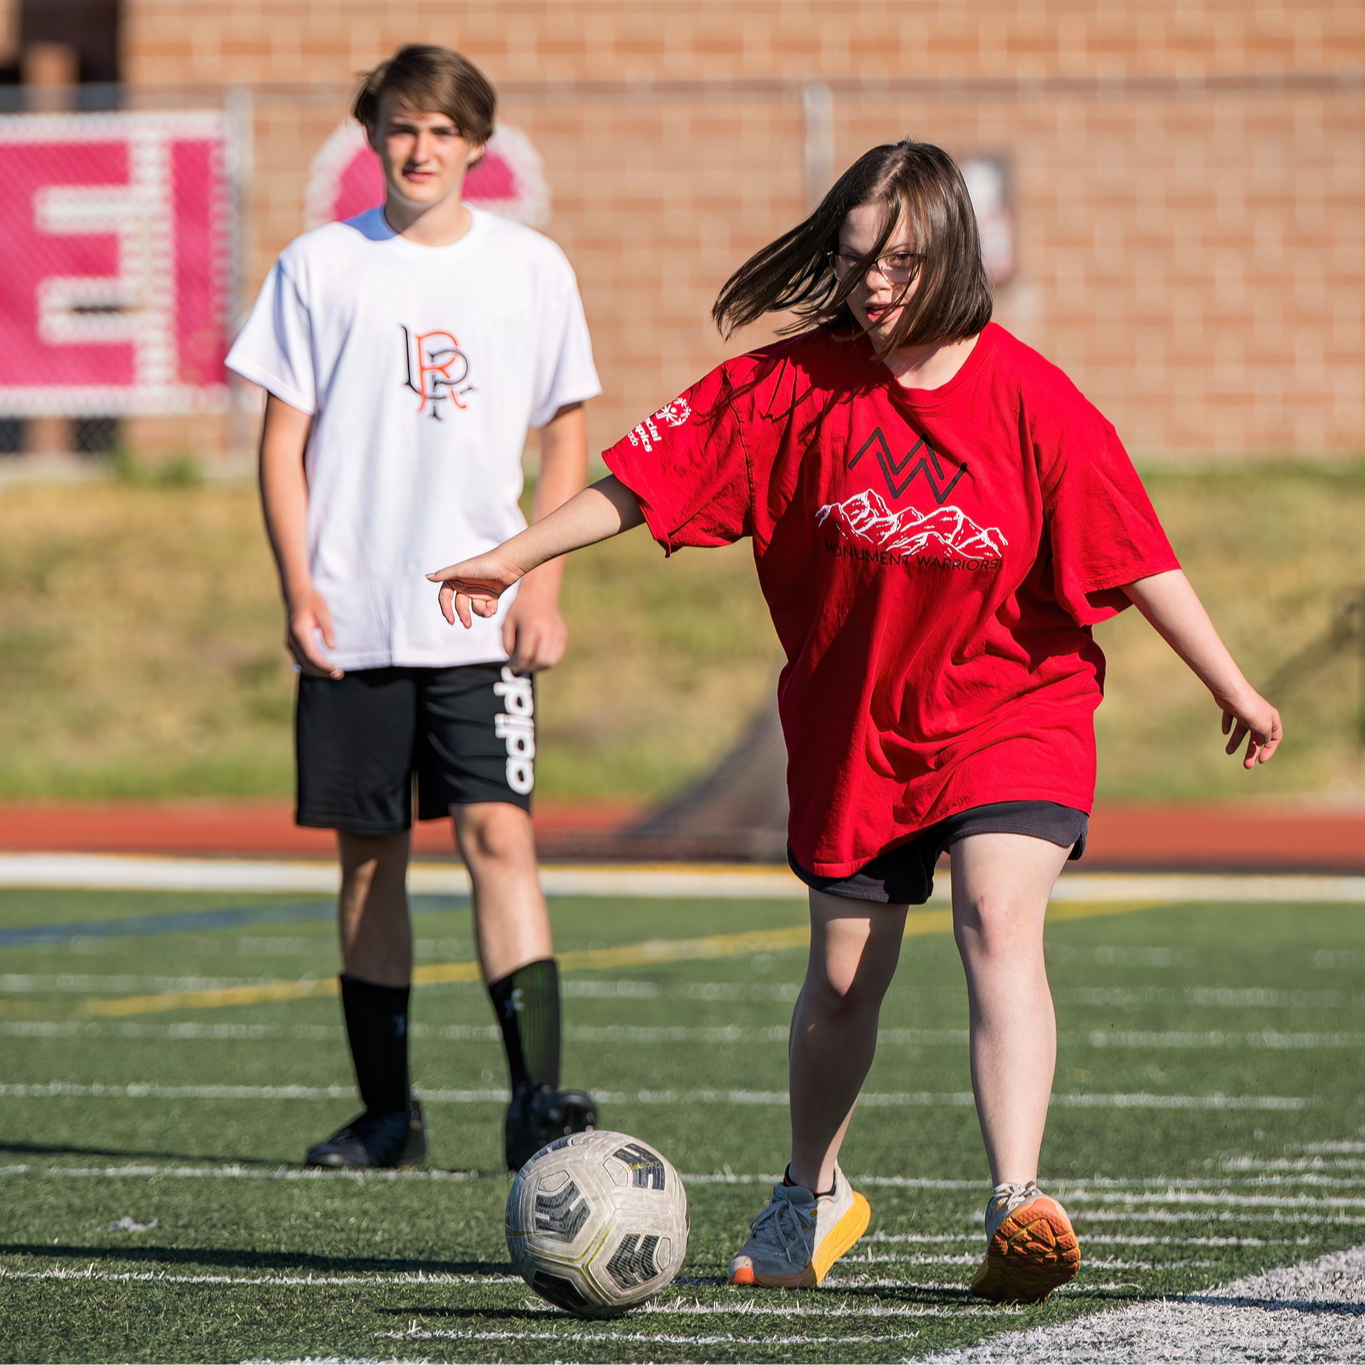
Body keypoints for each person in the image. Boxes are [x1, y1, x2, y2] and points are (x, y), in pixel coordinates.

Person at [426, 139, 1282, 1300]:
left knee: (996, 917)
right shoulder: (787, 388)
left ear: (954, 258)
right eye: (857, 256)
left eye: (903, 259)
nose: (876, 281)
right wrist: (509, 560)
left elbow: (1135, 555)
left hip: (1016, 711)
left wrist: (1229, 680)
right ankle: (811, 1194)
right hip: (857, 736)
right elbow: (638, 482)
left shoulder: (1036, 399)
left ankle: (1016, 1199)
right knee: (841, 983)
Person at [225, 43, 601, 1173]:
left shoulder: (530, 268)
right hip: (355, 616)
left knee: (498, 835)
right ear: (372, 136)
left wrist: (542, 581)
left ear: (477, 146)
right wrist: (298, 587)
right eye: (402, 125)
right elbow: (281, 443)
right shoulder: (318, 265)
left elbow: (566, 431)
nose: (423, 147)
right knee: (370, 858)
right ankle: (388, 1114)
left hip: (476, 622)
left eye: (445, 129)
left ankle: (536, 1099)